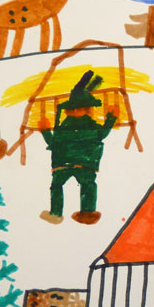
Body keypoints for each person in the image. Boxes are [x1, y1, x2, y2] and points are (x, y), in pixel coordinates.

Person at [38, 70, 118, 225]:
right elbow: (101, 134)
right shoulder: (86, 125)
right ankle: (86, 212)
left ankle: (57, 213)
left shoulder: (66, 126)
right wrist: (111, 118)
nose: (76, 111)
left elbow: (53, 142)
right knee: (85, 185)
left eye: (79, 108)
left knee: (60, 185)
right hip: (84, 162)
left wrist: (45, 130)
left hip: (65, 162)